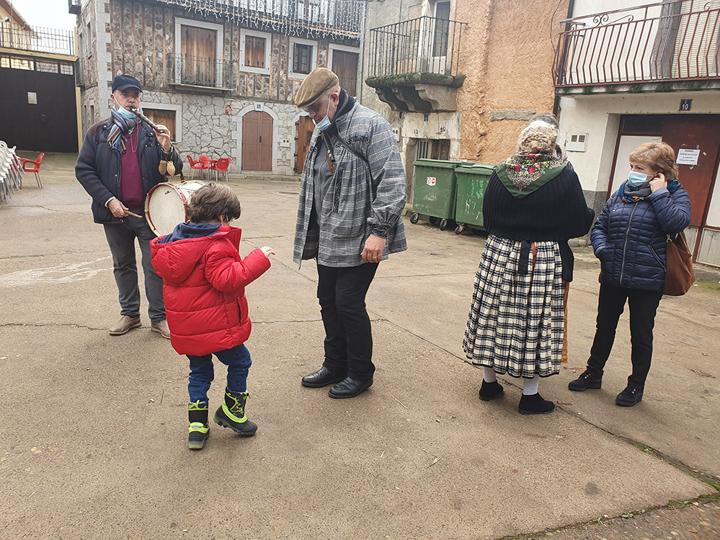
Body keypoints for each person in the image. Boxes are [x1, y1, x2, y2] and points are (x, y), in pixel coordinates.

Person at [462, 115, 595, 414]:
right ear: (552, 145)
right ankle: (530, 395)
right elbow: (576, 223)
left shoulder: (500, 173)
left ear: (522, 144)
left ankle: (489, 383)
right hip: (542, 255)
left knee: (492, 315)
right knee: (533, 320)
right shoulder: (564, 175)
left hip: (498, 251)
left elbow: (488, 219)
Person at [292, 68, 407, 399]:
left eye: (315, 108)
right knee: (327, 300)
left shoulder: (372, 125)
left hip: (361, 236)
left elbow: (393, 182)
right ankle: (335, 364)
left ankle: (360, 373)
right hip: (329, 235)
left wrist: (379, 231)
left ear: (334, 96)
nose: (312, 117)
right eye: (307, 111)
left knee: (348, 303)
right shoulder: (321, 130)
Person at [150, 183, 273, 450]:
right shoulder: (215, 245)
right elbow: (228, 279)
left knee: (199, 371)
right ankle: (232, 411)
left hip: (189, 330)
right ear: (221, 217)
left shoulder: (174, 241)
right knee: (241, 361)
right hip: (217, 328)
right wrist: (258, 258)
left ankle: (197, 426)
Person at [568, 142, 691, 406]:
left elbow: (676, 223)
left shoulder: (674, 194)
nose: (633, 172)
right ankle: (593, 372)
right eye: (632, 166)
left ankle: (636, 386)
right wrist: (603, 250)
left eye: (639, 168)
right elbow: (600, 226)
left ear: (659, 172)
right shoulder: (622, 192)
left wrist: (660, 194)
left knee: (641, 332)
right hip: (614, 273)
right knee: (604, 327)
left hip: (648, 278)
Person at [76, 74, 182, 338]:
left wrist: (167, 148)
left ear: (140, 98)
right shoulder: (98, 133)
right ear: (114, 97)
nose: (131, 99)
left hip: (148, 214)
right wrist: (108, 200)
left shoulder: (152, 132)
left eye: (135, 95)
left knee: (155, 267)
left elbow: (174, 170)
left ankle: (159, 318)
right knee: (122, 264)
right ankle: (130, 315)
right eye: (125, 94)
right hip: (115, 214)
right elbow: (84, 170)